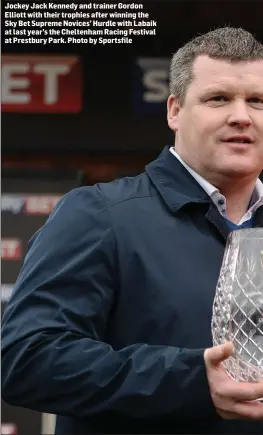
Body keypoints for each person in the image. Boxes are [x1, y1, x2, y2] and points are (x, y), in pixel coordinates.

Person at [2, 26, 263, 434]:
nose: (241, 116)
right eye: (218, 99)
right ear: (174, 110)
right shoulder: (98, 215)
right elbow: (27, 360)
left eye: (257, 101)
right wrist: (189, 379)